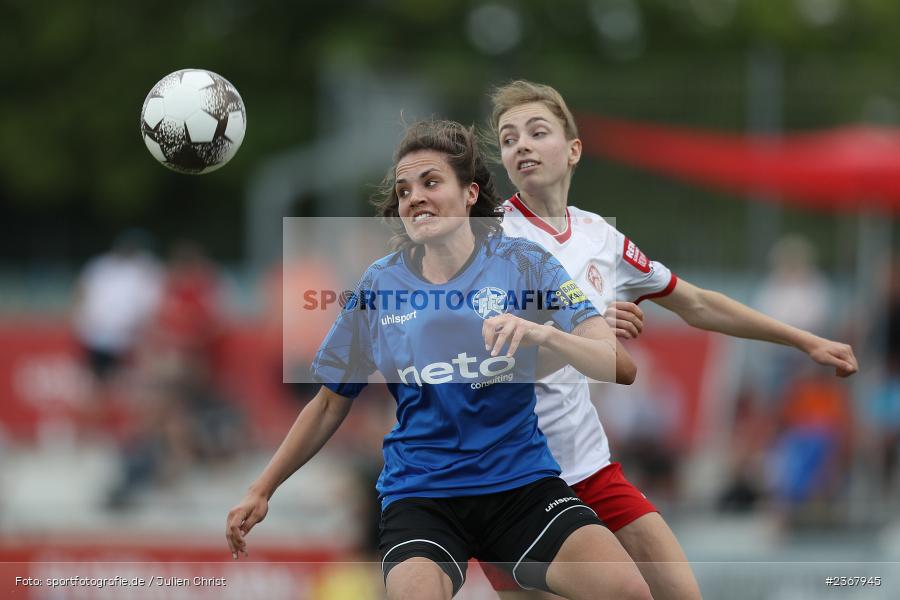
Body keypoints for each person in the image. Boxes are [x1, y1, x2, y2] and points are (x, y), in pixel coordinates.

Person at [226, 120, 652, 600]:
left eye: (431, 183)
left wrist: (541, 335)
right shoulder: (378, 285)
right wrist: (261, 488)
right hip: (423, 496)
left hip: (521, 487)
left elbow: (618, 365)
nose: (415, 198)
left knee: (630, 592)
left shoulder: (526, 264)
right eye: (405, 190)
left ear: (470, 194)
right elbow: (328, 404)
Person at [485, 80, 860, 600]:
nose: (521, 144)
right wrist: (580, 323)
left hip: (588, 463)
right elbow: (485, 349)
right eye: (508, 138)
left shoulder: (600, 237)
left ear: (573, 150)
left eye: (536, 131)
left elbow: (697, 303)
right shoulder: (493, 238)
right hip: (515, 476)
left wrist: (803, 341)